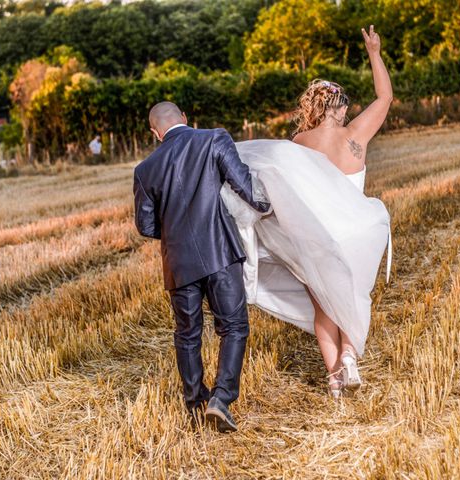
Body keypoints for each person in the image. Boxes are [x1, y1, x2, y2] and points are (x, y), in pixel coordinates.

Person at [221, 26, 392, 399]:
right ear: (340, 106)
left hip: (316, 238)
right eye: (345, 103)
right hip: (355, 233)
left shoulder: (298, 143)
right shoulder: (354, 136)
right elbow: (385, 96)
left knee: (324, 308)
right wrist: (374, 53)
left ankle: (334, 379)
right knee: (351, 297)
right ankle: (349, 354)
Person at [133, 101, 269, 432]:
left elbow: (146, 227)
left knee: (187, 334)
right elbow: (244, 185)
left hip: (178, 264)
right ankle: (222, 399)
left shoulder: (145, 169)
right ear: (185, 119)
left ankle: (195, 404)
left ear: (155, 133)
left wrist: (175, 231)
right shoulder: (213, 139)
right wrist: (267, 206)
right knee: (234, 327)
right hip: (220, 251)